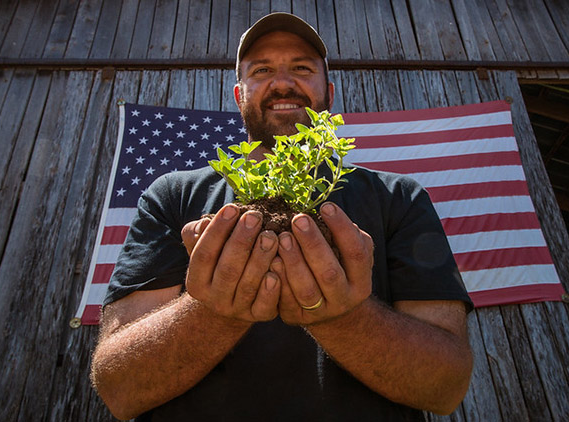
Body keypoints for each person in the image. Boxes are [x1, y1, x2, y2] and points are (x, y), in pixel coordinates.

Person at [90, 12, 474, 421]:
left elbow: (446, 387)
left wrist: (346, 318)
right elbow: (119, 389)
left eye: (302, 68)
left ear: (327, 92)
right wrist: (212, 314)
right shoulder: (172, 195)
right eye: (263, 70)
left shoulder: (399, 197)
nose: (283, 82)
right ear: (240, 95)